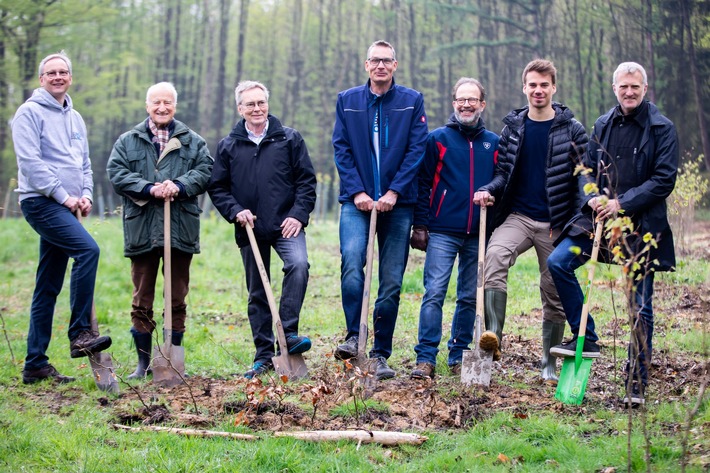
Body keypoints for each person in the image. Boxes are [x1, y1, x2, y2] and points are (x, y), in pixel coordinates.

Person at [548, 62, 678, 406]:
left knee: (640, 308)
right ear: (614, 87)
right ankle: (586, 335)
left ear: (645, 89)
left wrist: (620, 204)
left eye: (635, 87)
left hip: (641, 227)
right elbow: (586, 169)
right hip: (598, 223)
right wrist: (591, 196)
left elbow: (664, 179)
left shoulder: (661, 128)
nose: (629, 92)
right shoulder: (603, 124)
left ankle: (636, 382)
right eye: (624, 87)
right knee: (558, 262)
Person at [474, 59, 588, 382]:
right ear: (524, 88)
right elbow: (502, 173)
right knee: (493, 256)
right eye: (532, 85)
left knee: (553, 287)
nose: (538, 90)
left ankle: (548, 362)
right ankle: (492, 336)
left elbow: (583, 176)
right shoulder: (513, 128)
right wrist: (487, 190)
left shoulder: (572, 129)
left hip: (556, 223)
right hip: (518, 217)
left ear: (554, 87)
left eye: (544, 85)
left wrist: (580, 220)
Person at [12, 51, 112, 384]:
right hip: (41, 202)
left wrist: (84, 193)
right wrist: (63, 195)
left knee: (47, 285)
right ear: (42, 79)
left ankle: (35, 364)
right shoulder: (28, 113)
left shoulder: (76, 117)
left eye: (63, 71)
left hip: (68, 204)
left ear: (70, 77)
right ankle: (80, 334)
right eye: (51, 72)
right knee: (88, 251)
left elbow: (84, 164)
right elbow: (30, 163)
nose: (58, 76)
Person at [332, 40, 428, 380]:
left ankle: (380, 353)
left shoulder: (411, 101)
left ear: (395, 65)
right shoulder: (348, 101)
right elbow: (341, 148)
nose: (381, 66)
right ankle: (354, 336)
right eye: (375, 60)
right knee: (352, 264)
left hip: (398, 204)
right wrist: (357, 191)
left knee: (390, 281)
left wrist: (394, 191)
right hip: (356, 203)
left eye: (387, 61)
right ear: (366, 64)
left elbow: (417, 150)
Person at [209, 80, 317, 379]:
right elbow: (218, 187)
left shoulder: (289, 139)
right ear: (240, 108)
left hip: (286, 224)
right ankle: (263, 355)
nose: (257, 108)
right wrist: (235, 212)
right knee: (258, 291)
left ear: (267, 104)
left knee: (299, 265)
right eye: (250, 104)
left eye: (261, 103)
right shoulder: (228, 145)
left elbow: (306, 182)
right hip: (250, 226)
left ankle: (289, 333)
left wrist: (298, 215)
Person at [107, 82, 213, 379]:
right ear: (147, 106)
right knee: (142, 297)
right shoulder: (128, 141)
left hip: (180, 227)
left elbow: (205, 172)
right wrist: (149, 188)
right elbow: (117, 174)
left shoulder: (193, 141)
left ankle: (171, 357)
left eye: (167, 102)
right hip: (142, 227)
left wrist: (178, 185)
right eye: (156, 102)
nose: (162, 107)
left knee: (176, 296)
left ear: (174, 106)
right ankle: (143, 364)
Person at [409, 78, 499, 379]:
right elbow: (423, 185)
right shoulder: (438, 140)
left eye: (472, 100)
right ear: (453, 103)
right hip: (443, 230)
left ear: (482, 104)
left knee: (469, 296)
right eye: (461, 99)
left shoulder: (494, 144)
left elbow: (502, 185)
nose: (466, 104)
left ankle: (459, 354)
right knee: (434, 292)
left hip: (479, 231)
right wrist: (421, 224)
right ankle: (425, 357)